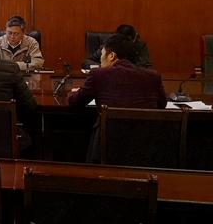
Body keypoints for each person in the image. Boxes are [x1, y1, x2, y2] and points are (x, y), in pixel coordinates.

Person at [70, 33, 165, 162]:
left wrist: (75, 92)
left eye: (102, 55)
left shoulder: (98, 75)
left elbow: (75, 102)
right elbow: (162, 105)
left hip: (107, 150)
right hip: (145, 150)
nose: (100, 60)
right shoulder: (153, 76)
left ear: (112, 56)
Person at [83, 24, 151, 69]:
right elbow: (87, 62)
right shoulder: (109, 45)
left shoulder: (139, 46)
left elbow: (145, 66)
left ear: (134, 40)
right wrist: (103, 66)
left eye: (127, 41)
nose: (125, 44)